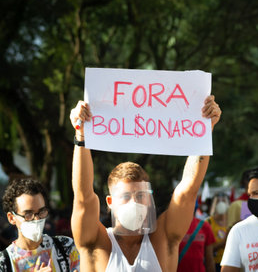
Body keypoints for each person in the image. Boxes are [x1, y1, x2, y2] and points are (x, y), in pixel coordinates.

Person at [69, 95, 221, 272]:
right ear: (110, 202)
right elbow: (83, 197)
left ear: (150, 199)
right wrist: (81, 135)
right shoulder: (95, 242)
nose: (134, 202)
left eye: (140, 195)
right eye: (125, 196)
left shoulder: (164, 239)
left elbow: (188, 191)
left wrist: (204, 129)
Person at [0, 178, 80, 271]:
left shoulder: (66, 247)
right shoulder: (4, 263)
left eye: (41, 211)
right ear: (11, 218)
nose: (37, 219)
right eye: (28, 214)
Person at [206, 194, 229, 271]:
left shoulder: (232, 222)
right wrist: (222, 243)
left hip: (229, 264)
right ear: (213, 205)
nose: (221, 203)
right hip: (213, 263)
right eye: (218, 201)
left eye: (223, 201)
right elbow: (205, 249)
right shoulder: (207, 223)